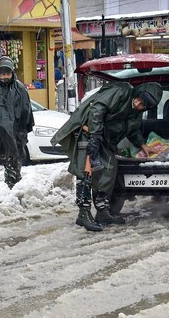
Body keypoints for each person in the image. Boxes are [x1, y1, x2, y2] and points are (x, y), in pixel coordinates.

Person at [51, 82, 162, 231]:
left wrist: (142, 144)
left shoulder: (136, 113)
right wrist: (95, 136)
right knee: (86, 170)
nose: (138, 104)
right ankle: (83, 213)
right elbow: (97, 109)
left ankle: (102, 211)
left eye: (143, 105)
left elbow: (132, 130)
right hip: (87, 130)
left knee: (110, 168)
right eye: (139, 100)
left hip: (104, 138)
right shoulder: (121, 91)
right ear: (137, 93)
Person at [0, 56, 34, 189]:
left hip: (16, 132)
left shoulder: (19, 89)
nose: (5, 77)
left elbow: (25, 111)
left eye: (7, 73)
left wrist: (20, 131)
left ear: (12, 73)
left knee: (14, 159)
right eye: (2, 74)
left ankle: (13, 183)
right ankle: (10, 184)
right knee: (6, 157)